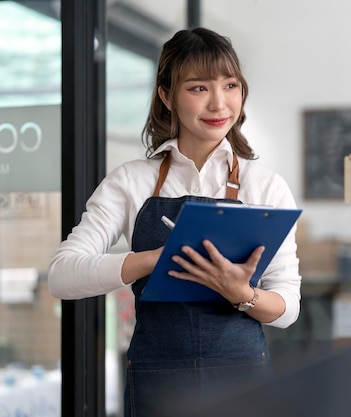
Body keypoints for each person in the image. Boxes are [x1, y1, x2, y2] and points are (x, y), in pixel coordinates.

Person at [48, 28, 301, 416]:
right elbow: (62, 277)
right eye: (199, 88)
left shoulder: (265, 186)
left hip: (241, 381)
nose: (219, 103)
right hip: (157, 379)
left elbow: (287, 309)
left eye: (230, 85)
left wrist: (241, 293)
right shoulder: (130, 180)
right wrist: (155, 259)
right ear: (167, 95)